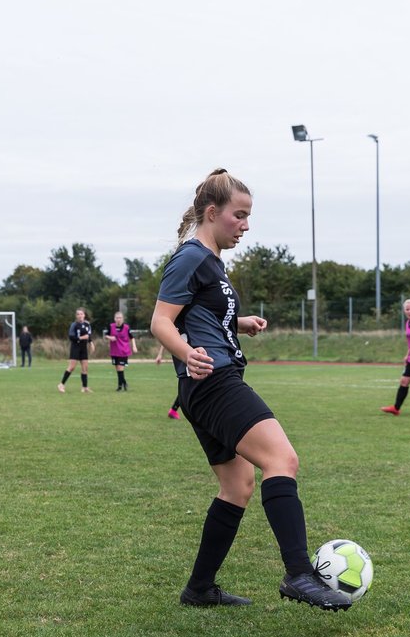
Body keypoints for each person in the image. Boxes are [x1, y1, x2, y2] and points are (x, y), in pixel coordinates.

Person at [150, 168, 351, 611]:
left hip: (208, 384)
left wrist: (239, 323)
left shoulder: (212, 263)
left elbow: (199, 313)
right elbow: (161, 321)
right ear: (211, 213)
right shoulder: (190, 257)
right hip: (212, 382)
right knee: (282, 459)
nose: (245, 225)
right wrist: (187, 353)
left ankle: (199, 589)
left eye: (247, 216)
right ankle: (299, 573)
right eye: (238, 216)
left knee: (238, 484)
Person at [57, 308, 92, 393]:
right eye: (78, 314)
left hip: (83, 348)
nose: (80, 315)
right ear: (76, 316)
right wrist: (81, 338)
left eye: (81, 314)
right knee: (72, 367)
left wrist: (91, 343)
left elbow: (89, 335)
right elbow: (71, 337)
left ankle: (84, 387)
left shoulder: (87, 324)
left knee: (85, 368)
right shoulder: (74, 325)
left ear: (84, 315)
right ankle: (61, 384)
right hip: (75, 347)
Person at [106, 311, 137, 391]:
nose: (118, 319)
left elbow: (132, 337)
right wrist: (110, 338)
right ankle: (124, 383)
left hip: (124, 351)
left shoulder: (126, 328)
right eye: (117, 318)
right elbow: (106, 335)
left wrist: (134, 346)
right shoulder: (111, 326)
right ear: (114, 319)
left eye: (120, 318)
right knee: (117, 368)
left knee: (120, 368)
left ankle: (120, 387)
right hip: (114, 351)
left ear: (123, 319)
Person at [155, 344, 182, 419]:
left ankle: (174, 410)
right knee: (188, 386)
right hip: (184, 357)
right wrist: (160, 355)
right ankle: (174, 410)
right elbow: (165, 338)